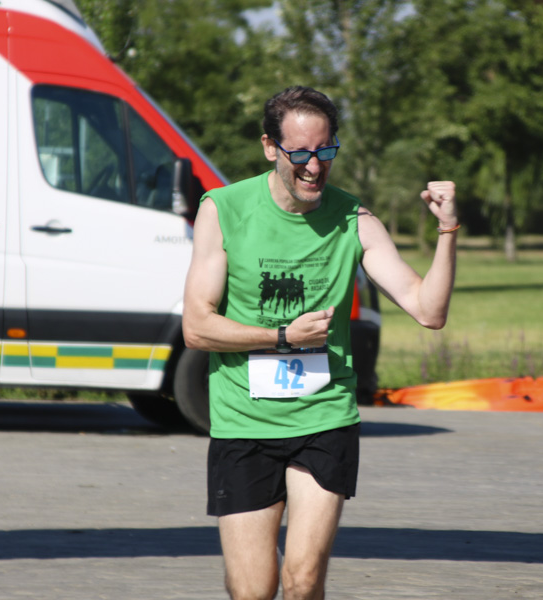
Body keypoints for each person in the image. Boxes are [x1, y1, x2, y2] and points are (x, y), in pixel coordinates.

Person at [182, 85, 458, 600]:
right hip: (244, 422)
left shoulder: (353, 219)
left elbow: (429, 310)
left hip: (324, 418)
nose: (314, 166)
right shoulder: (224, 210)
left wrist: (447, 229)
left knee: (303, 581)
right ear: (270, 147)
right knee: (252, 590)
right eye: (301, 153)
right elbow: (197, 326)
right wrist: (283, 335)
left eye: (325, 151)